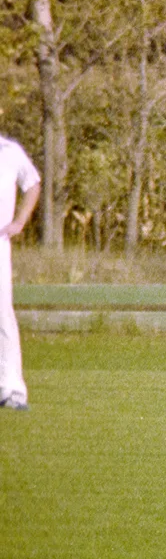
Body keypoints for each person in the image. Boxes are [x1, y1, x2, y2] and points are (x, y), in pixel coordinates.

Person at [0, 133, 39, 412]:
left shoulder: (10, 150)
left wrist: (20, 220)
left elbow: (32, 183)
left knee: (3, 315)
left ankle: (12, 388)